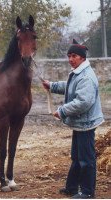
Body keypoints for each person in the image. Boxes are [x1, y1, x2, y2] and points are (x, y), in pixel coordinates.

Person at [42, 39, 104, 199]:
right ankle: (71, 188)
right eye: (69, 55)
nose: (70, 59)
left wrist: (62, 111)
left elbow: (83, 102)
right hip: (80, 123)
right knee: (76, 158)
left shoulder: (86, 77)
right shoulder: (79, 72)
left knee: (86, 160)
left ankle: (88, 193)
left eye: (74, 55)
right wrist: (53, 85)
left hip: (86, 124)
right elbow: (70, 86)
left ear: (82, 57)